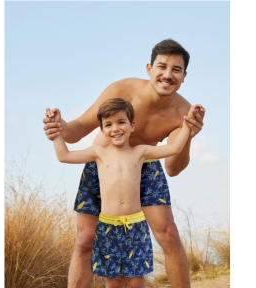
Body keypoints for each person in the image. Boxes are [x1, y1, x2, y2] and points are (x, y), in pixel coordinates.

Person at [43, 39, 206, 288]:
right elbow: (76, 131)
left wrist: (189, 135)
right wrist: (59, 127)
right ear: (149, 69)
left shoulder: (182, 111)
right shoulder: (122, 89)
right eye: (162, 66)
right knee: (86, 239)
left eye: (176, 69)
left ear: (184, 76)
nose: (167, 74)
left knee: (169, 235)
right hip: (103, 162)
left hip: (146, 163)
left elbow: (173, 167)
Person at [52, 98, 196, 288]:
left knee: (136, 281)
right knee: (114, 282)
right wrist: (55, 133)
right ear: (102, 131)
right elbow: (65, 156)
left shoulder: (141, 152)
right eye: (108, 125)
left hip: (135, 226)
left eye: (121, 122)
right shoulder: (98, 153)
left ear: (132, 125)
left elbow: (174, 148)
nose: (116, 128)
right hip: (107, 226)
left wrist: (188, 124)